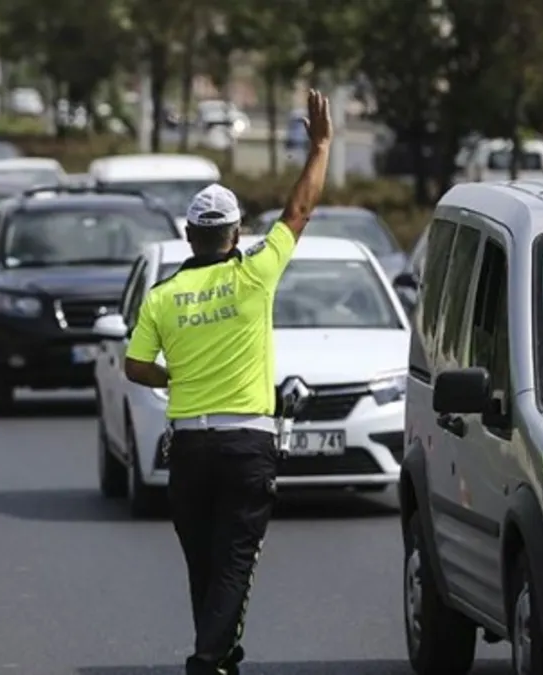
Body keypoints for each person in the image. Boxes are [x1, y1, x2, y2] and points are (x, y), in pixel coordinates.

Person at [123, 89, 333, 675]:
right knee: (235, 562)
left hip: (189, 447)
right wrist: (319, 147)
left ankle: (220, 659)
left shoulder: (163, 297)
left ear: (190, 237)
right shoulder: (255, 275)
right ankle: (207, 660)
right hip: (247, 445)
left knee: (205, 565)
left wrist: (173, 375)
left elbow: (134, 367)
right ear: (235, 235)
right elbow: (299, 212)